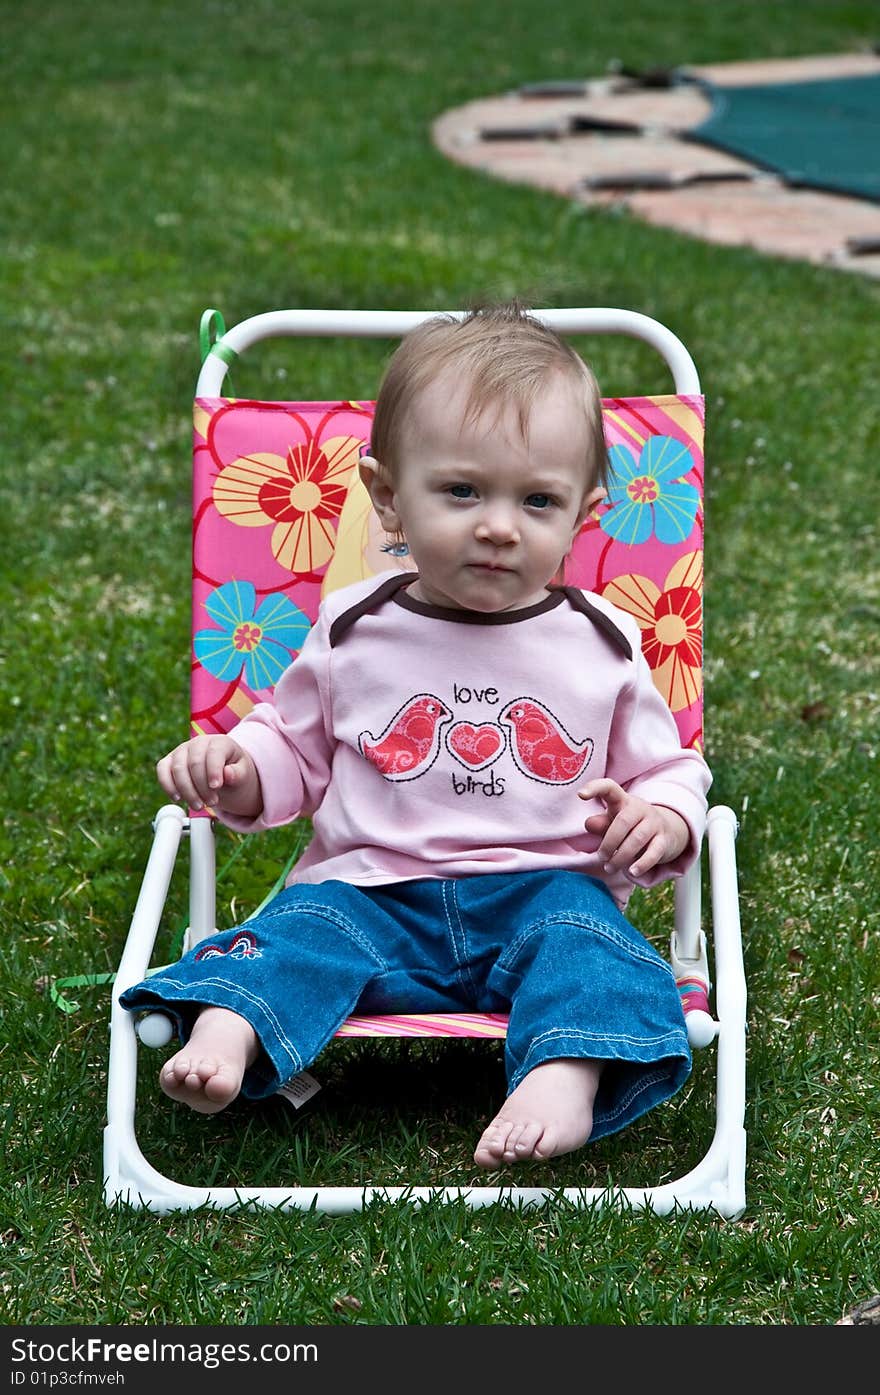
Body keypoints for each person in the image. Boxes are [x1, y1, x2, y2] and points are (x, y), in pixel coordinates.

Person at [120, 301, 711, 1169]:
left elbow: (670, 767)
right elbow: (294, 749)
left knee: (600, 954)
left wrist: (660, 817)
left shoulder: (601, 642)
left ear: (585, 515)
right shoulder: (353, 627)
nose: (499, 524)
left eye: (537, 499)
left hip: (542, 892)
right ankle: (232, 1023)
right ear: (387, 497)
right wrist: (237, 767)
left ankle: (566, 1068)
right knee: (293, 931)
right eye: (462, 490)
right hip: (372, 889)